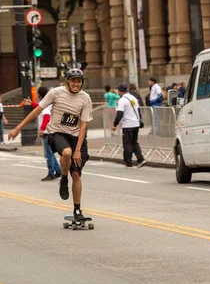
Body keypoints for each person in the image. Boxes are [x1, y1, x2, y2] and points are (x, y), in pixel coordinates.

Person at [8, 68, 93, 222]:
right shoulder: (56, 93)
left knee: (77, 174)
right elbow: (37, 111)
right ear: (67, 81)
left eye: (79, 81)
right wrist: (17, 128)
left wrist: (79, 149)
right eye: (73, 80)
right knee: (66, 153)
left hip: (76, 137)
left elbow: (83, 125)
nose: (76, 83)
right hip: (57, 133)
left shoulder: (85, 98)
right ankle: (63, 179)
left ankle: (77, 209)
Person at [112, 83, 146, 168]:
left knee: (127, 143)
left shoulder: (122, 100)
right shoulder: (133, 98)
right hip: (136, 124)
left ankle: (128, 163)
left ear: (120, 91)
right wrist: (139, 121)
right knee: (134, 142)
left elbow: (120, 113)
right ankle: (141, 159)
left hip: (128, 125)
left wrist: (115, 124)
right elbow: (138, 111)